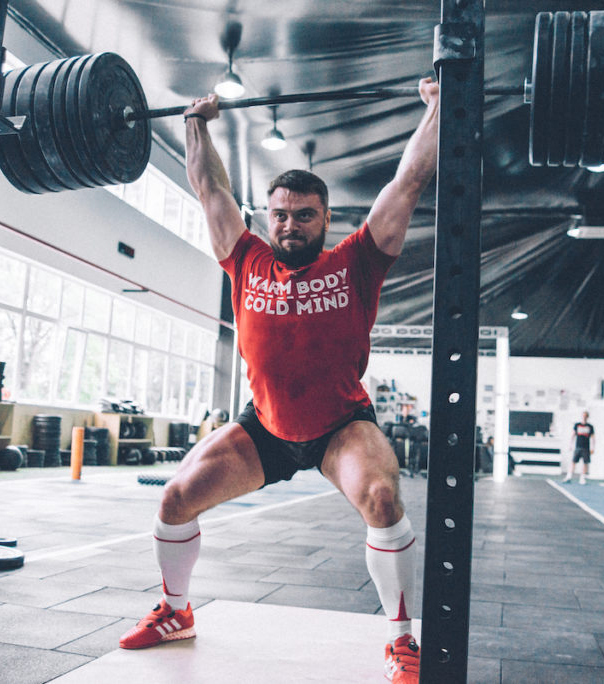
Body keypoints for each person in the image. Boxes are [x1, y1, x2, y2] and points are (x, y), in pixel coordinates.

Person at [118, 78, 440, 684]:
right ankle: (177, 613)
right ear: (269, 218)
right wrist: (197, 124)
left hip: (340, 428)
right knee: (173, 500)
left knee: (381, 499)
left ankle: (401, 642)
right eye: (281, 215)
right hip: (264, 426)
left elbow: (408, 182)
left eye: (305, 216)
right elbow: (209, 187)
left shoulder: (358, 261)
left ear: (326, 218)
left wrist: (438, 108)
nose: (291, 225)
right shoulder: (245, 258)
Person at [563, 411, 595, 484]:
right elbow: (573, 435)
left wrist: (593, 448)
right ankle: (569, 476)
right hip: (578, 446)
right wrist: (570, 445)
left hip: (586, 447)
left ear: (587, 417)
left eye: (585, 416)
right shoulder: (577, 425)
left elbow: (593, 438)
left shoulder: (590, 427)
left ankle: (582, 478)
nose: (584, 417)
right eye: (583, 415)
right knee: (573, 462)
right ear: (582, 416)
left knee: (585, 463)